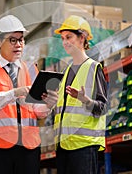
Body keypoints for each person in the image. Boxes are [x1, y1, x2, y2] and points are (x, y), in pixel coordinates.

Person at [0, 15, 52, 174]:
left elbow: (37, 111)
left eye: (21, 40)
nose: (18, 45)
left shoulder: (31, 69)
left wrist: (49, 104)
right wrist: (14, 93)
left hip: (29, 147)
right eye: (13, 40)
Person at [42, 15, 108, 174]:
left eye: (69, 37)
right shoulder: (65, 72)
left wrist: (85, 99)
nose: (64, 42)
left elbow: (103, 108)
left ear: (82, 38)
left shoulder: (93, 68)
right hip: (63, 145)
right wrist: (51, 104)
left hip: (83, 146)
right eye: (63, 38)